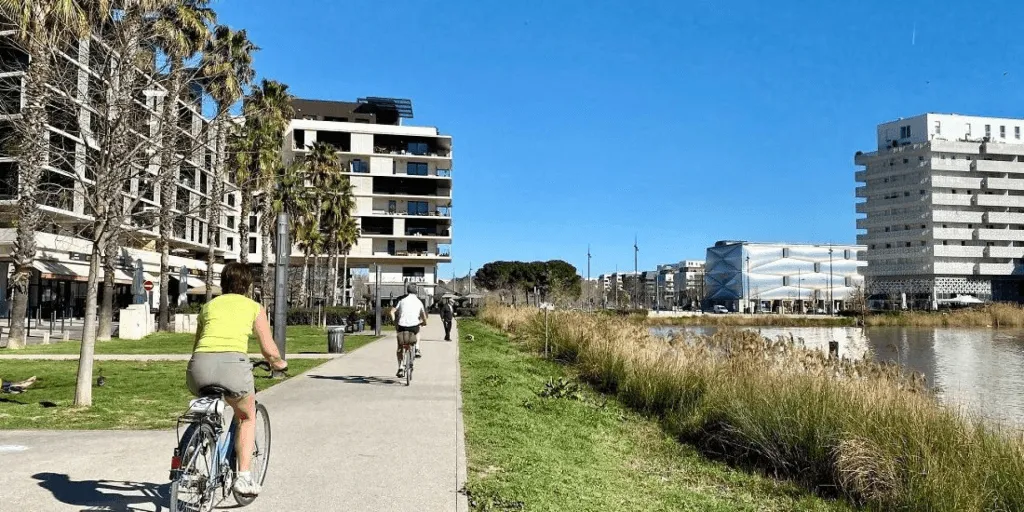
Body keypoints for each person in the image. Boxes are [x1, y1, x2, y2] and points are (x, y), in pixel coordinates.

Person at [186, 262, 286, 498]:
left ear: (223, 283)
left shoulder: (208, 306)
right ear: (248, 285)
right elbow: (268, 350)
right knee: (246, 416)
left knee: (210, 406)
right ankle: (243, 477)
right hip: (233, 369)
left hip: (198, 367)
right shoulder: (253, 307)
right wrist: (279, 363)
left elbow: (198, 342)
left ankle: (196, 443)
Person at [393, 283, 426, 378]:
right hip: (414, 326)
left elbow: (394, 311)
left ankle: (400, 367)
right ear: (416, 292)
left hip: (402, 326)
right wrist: (424, 322)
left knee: (400, 347)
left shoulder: (402, 300)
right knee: (418, 332)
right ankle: (417, 349)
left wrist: (394, 321)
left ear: (407, 291)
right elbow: (424, 316)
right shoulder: (419, 302)